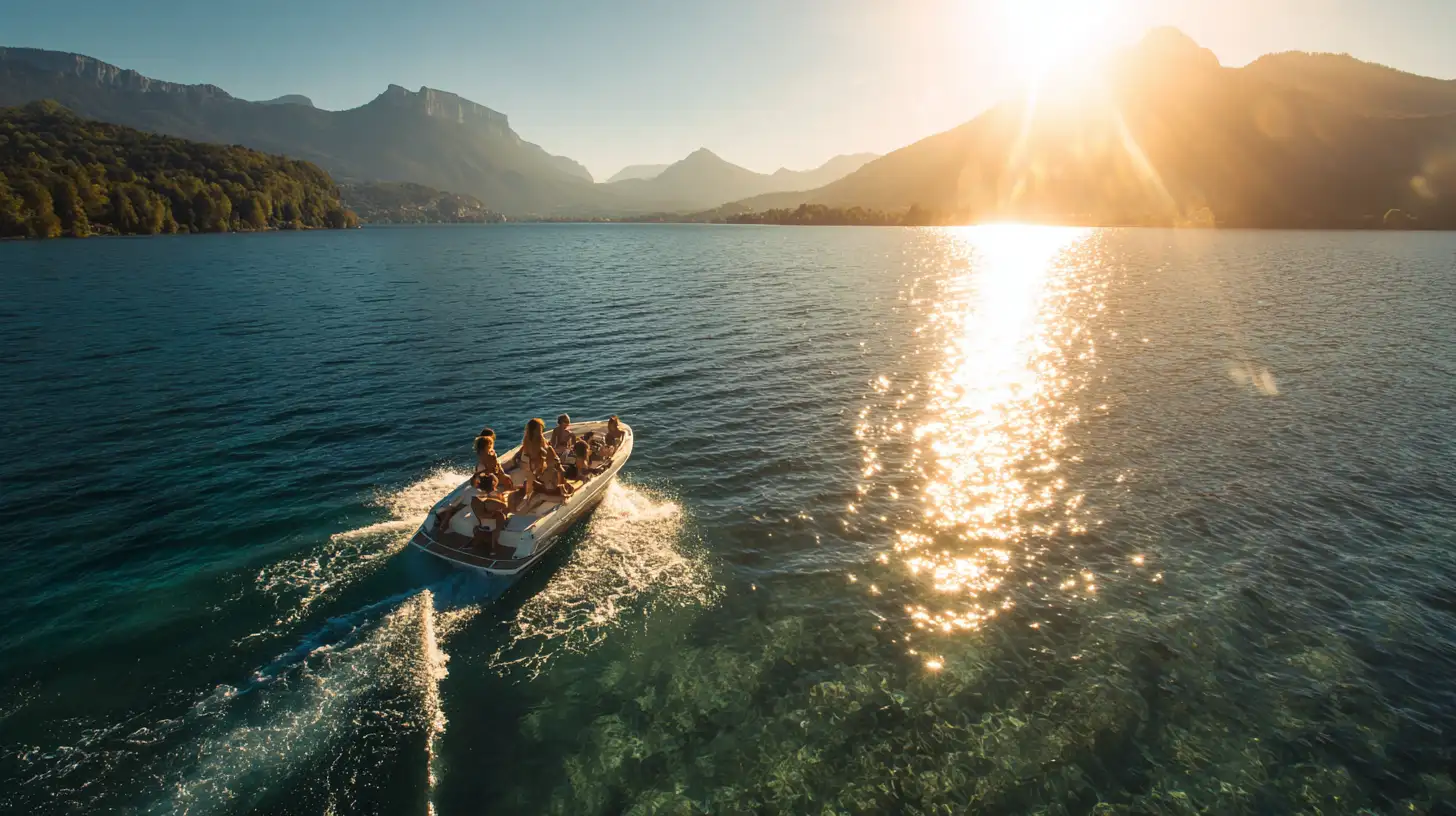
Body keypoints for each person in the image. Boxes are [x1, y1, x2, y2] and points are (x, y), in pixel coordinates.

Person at [518, 418, 548, 502]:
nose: (541, 429)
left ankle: (528, 496)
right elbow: (542, 452)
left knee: (530, 481)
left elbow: (526, 451)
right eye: (540, 428)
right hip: (535, 463)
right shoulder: (539, 438)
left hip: (526, 462)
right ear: (535, 429)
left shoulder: (526, 438)